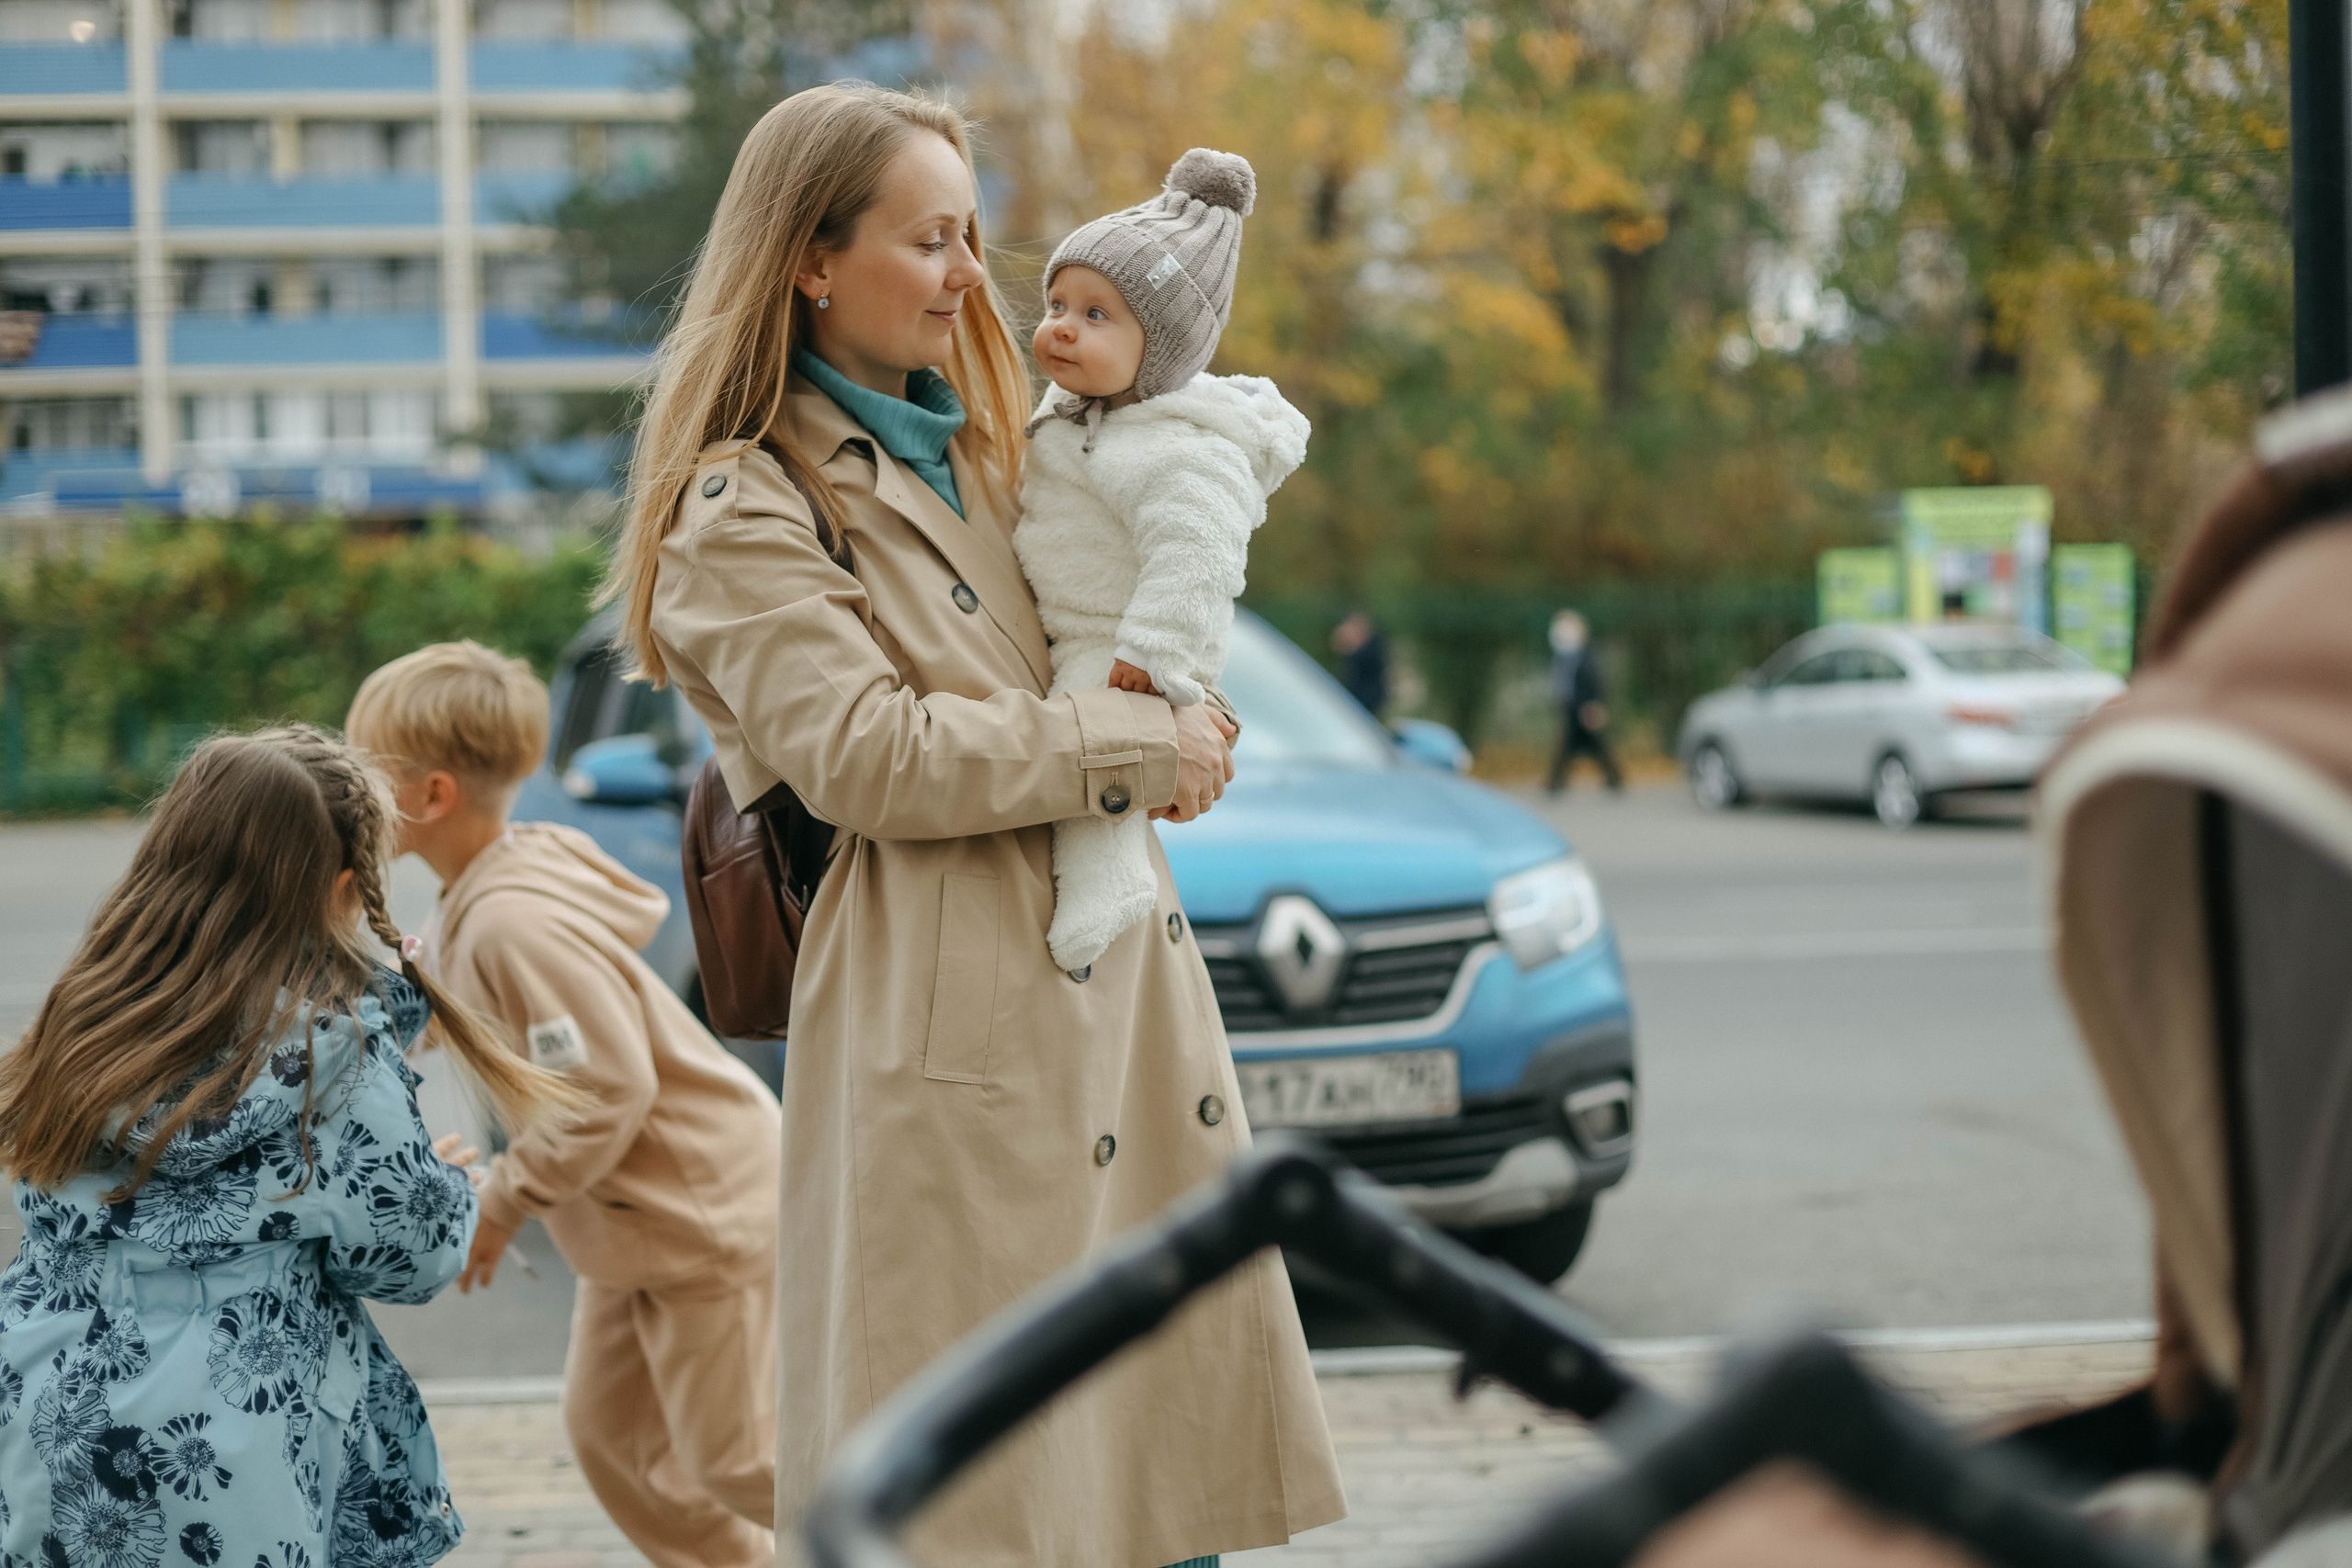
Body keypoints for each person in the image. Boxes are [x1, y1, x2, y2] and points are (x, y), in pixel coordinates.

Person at [605, 82, 1345, 1568]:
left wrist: (1186, 717)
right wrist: (1138, 742)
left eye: (974, 235)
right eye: (932, 238)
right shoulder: (738, 508)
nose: (968, 276)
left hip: (1116, 1005)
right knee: (996, 1513)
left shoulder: (1016, 446)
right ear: (812, 260)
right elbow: (875, 757)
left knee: (1153, 1500)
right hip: (946, 1052)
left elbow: (1121, 641)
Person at [0, 725, 579, 1568]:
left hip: (48, 1401)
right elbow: (407, 1258)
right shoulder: (327, 1050)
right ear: (344, 885)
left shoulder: (89, 1009)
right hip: (239, 1444)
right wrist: (446, 1187)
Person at [345, 640, 785, 1568]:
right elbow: (465, 1012)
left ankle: (950, 1530)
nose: (348, 795)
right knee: (617, 1448)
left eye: (361, 774)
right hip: (626, 1229)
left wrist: (503, 1200)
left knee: (739, 1457)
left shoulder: (513, 919)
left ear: (430, 797)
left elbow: (606, 1089)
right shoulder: (483, 890)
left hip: (698, 1212)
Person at [1014, 147, 1311, 971]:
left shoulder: (1182, 451)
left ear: (1164, 349)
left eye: (1098, 315)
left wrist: (1150, 655)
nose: (1063, 326)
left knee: (1094, 757)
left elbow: (1200, 557)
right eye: (1058, 303)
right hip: (1076, 622)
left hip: (1118, 644)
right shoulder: (1074, 410)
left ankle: (1106, 891)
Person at [1545, 609, 1623, 795]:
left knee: (1591, 744)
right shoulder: (1563, 657)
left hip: (1584, 707)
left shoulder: (1586, 655)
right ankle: (1556, 782)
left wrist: (1594, 705)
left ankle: (1557, 782)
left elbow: (1594, 681)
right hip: (1570, 707)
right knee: (1573, 744)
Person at [1330, 611, 1388, 716]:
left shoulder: (1372, 649)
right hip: (1355, 699)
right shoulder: (1363, 650)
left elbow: (1365, 661)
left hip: (1366, 700)